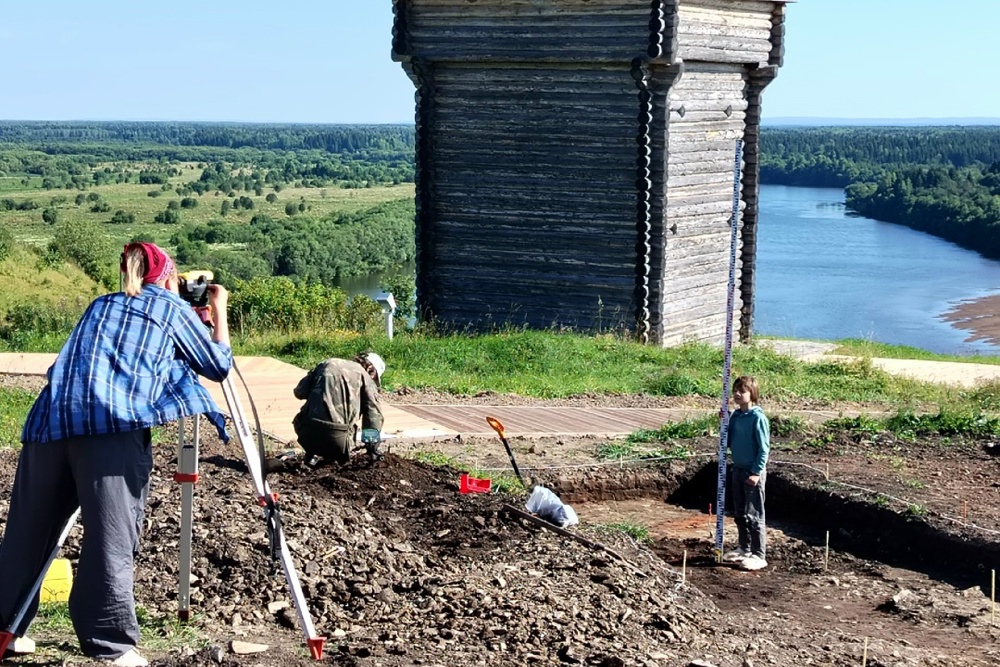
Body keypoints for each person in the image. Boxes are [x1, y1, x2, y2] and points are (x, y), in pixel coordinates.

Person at [0, 242, 233, 667]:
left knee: (27, 534)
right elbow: (217, 365)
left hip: (49, 424)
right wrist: (219, 311)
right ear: (167, 276)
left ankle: (5, 627)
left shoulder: (99, 304)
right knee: (111, 536)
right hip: (110, 428)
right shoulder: (170, 308)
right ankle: (110, 642)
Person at [290, 353, 385, 467]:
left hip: (307, 433)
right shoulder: (364, 376)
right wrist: (372, 449)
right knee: (342, 436)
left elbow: (299, 392)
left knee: (306, 417)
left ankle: (312, 454)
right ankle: (337, 460)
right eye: (374, 377)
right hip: (339, 439)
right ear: (370, 368)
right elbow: (373, 415)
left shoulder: (326, 363)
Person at [722, 375, 771, 572]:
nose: (737, 394)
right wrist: (724, 423)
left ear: (752, 394)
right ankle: (744, 547)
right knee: (740, 513)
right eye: (735, 390)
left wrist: (756, 472)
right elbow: (729, 441)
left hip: (752, 472)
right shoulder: (735, 416)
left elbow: (763, 449)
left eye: (742, 391)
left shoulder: (758, 418)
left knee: (754, 514)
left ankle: (759, 555)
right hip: (738, 469)